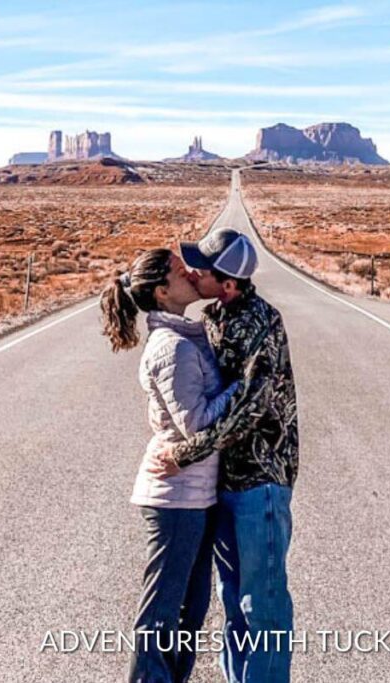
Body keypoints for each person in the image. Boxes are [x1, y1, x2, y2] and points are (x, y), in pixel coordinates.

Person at [151, 228, 300, 683]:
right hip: (224, 483)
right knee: (233, 600)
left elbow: (250, 408)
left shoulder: (260, 322)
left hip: (260, 483)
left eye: (203, 267)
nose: (194, 271)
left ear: (230, 283)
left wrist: (186, 453)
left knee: (264, 603)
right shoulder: (215, 316)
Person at [100, 247, 241, 683]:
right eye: (182, 272)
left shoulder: (188, 336)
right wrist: (244, 388)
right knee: (163, 615)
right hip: (175, 498)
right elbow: (196, 421)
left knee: (189, 612)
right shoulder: (172, 347)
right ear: (163, 292)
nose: (193, 273)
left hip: (194, 494)